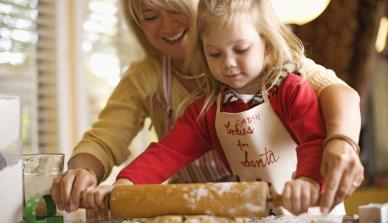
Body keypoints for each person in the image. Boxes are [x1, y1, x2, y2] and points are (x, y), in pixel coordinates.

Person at [50, 0, 363, 215]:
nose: (228, 63)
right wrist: (123, 187)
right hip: (243, 212)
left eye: (240, 50)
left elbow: (314, 137)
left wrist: (309, 181)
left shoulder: (291, 86)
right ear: (205, 49)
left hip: (308, 207)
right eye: (214, 55)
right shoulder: (209, 108)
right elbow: (167, 152)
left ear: (266, 46)